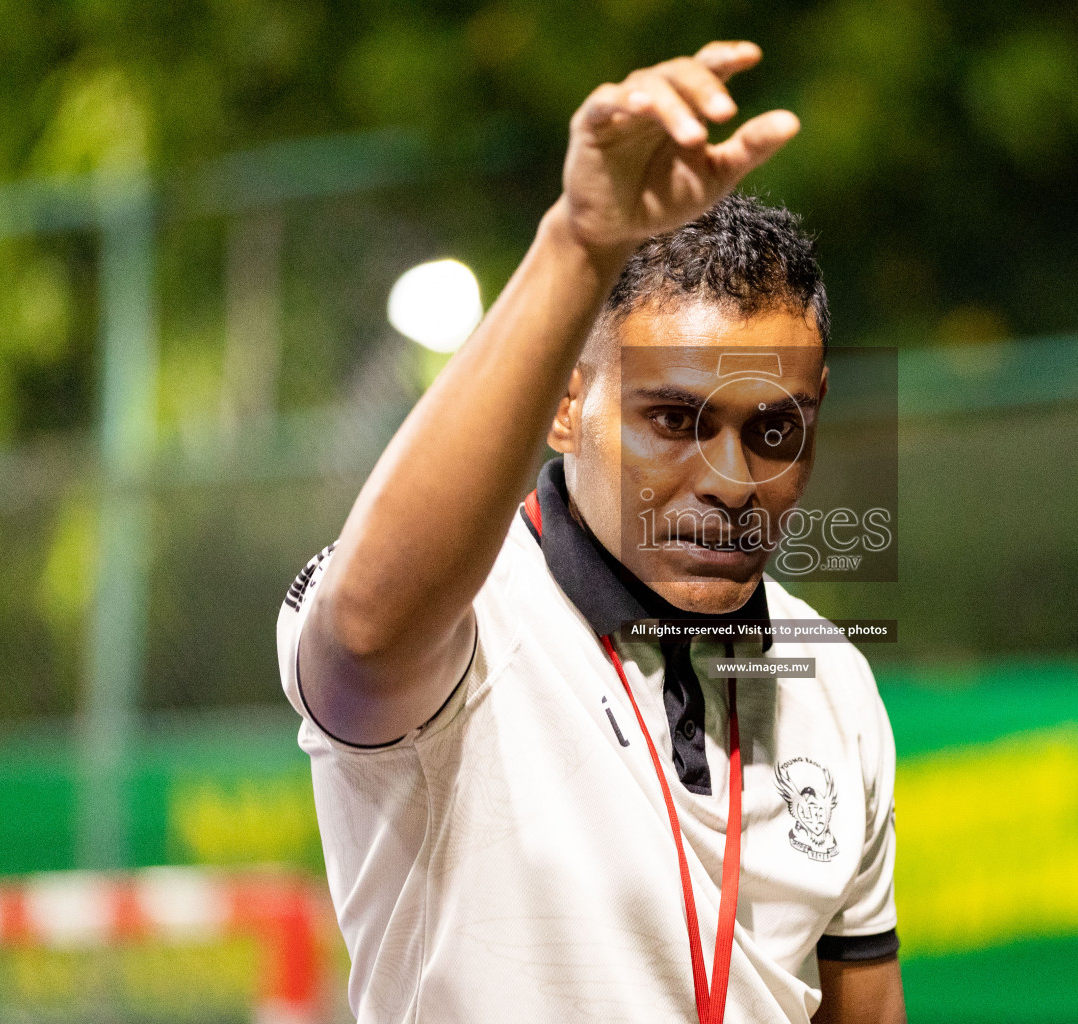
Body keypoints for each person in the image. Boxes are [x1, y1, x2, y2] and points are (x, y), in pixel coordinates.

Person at [276, 40, 904, 1024]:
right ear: (565, 405)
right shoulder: (464, 621)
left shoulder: (835, 681)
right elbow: (360, 631)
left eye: (773, 428)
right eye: (674, 420)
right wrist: (578, 240)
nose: (732, 482)